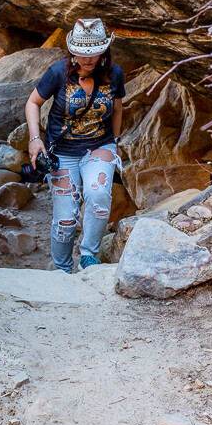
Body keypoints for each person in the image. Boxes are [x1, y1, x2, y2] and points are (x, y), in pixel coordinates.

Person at [24, 18, 126, 272]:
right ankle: (62, 268)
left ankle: (89, 255)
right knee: (66, 218)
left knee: (98, 195)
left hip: (99, 145)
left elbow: (117, 108)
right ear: (72, 50)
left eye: (93, 53)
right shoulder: (57, 73)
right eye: (82, 53)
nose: (87, 59)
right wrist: (35, 139)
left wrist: (114, 141)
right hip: (62, 152)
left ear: (104, 50)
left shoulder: (115, 73)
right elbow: (33, 103)